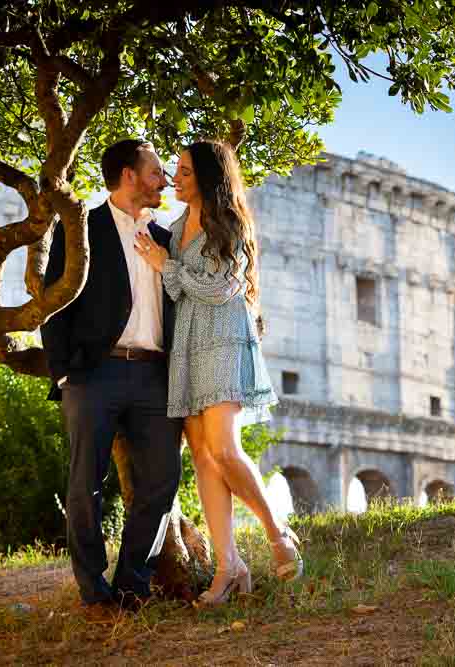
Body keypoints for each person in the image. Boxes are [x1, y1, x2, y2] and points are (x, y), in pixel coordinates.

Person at [134, 139, 302, 606]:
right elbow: (174, 290)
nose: (175, 178)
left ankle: (277, 535)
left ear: (208, 176)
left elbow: (220, 289)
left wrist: (167, 265)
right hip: (185, 346)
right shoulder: (174, 226)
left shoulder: (230, 223)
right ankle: (229, 567)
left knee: (225, 449)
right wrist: (165, 265)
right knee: (203, 458)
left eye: (185, 171)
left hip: (224, 339)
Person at [41, 139, 182, 612]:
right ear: (128, 175)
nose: (165, 181)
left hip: (154, 376)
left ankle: (131, 583)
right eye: (156, 172)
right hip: (93, 374)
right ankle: (93, 590)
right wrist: (63, 374)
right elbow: (52, 302)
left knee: (163, 478)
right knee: (85, 483)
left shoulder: (166, 237)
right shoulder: (82, 228)